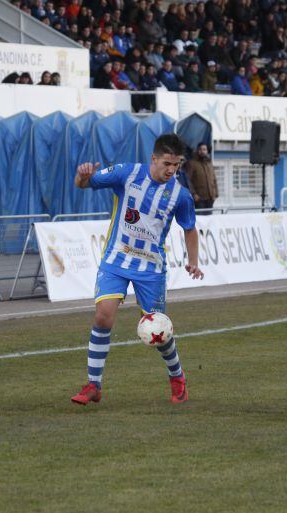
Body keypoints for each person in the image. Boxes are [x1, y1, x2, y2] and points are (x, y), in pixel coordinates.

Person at [70, 134, 204, 406]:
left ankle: (177, 377)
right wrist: (83, 175)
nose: (171, 170)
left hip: (150, 269)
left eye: (176, 165)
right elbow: (83, 184)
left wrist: (193, 261)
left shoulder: (180, 195)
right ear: (153, 158)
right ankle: (94, 385)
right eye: (167, 163)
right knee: (103, 317)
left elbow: (189, 228)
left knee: (159, 333)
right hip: (116, 260)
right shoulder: (127, 173)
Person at [185, 143, 218, 212]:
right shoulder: (192, 163)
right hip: (199, 199)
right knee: (200, 220)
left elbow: (214, 179)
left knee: (209, 220)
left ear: (207, 151)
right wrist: (194, 194)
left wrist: (216, 193)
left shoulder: (209, 163)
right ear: (197, 150)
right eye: (200, 149)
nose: (202, 151)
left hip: (210, 198)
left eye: (204, 149)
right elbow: (188, 180)